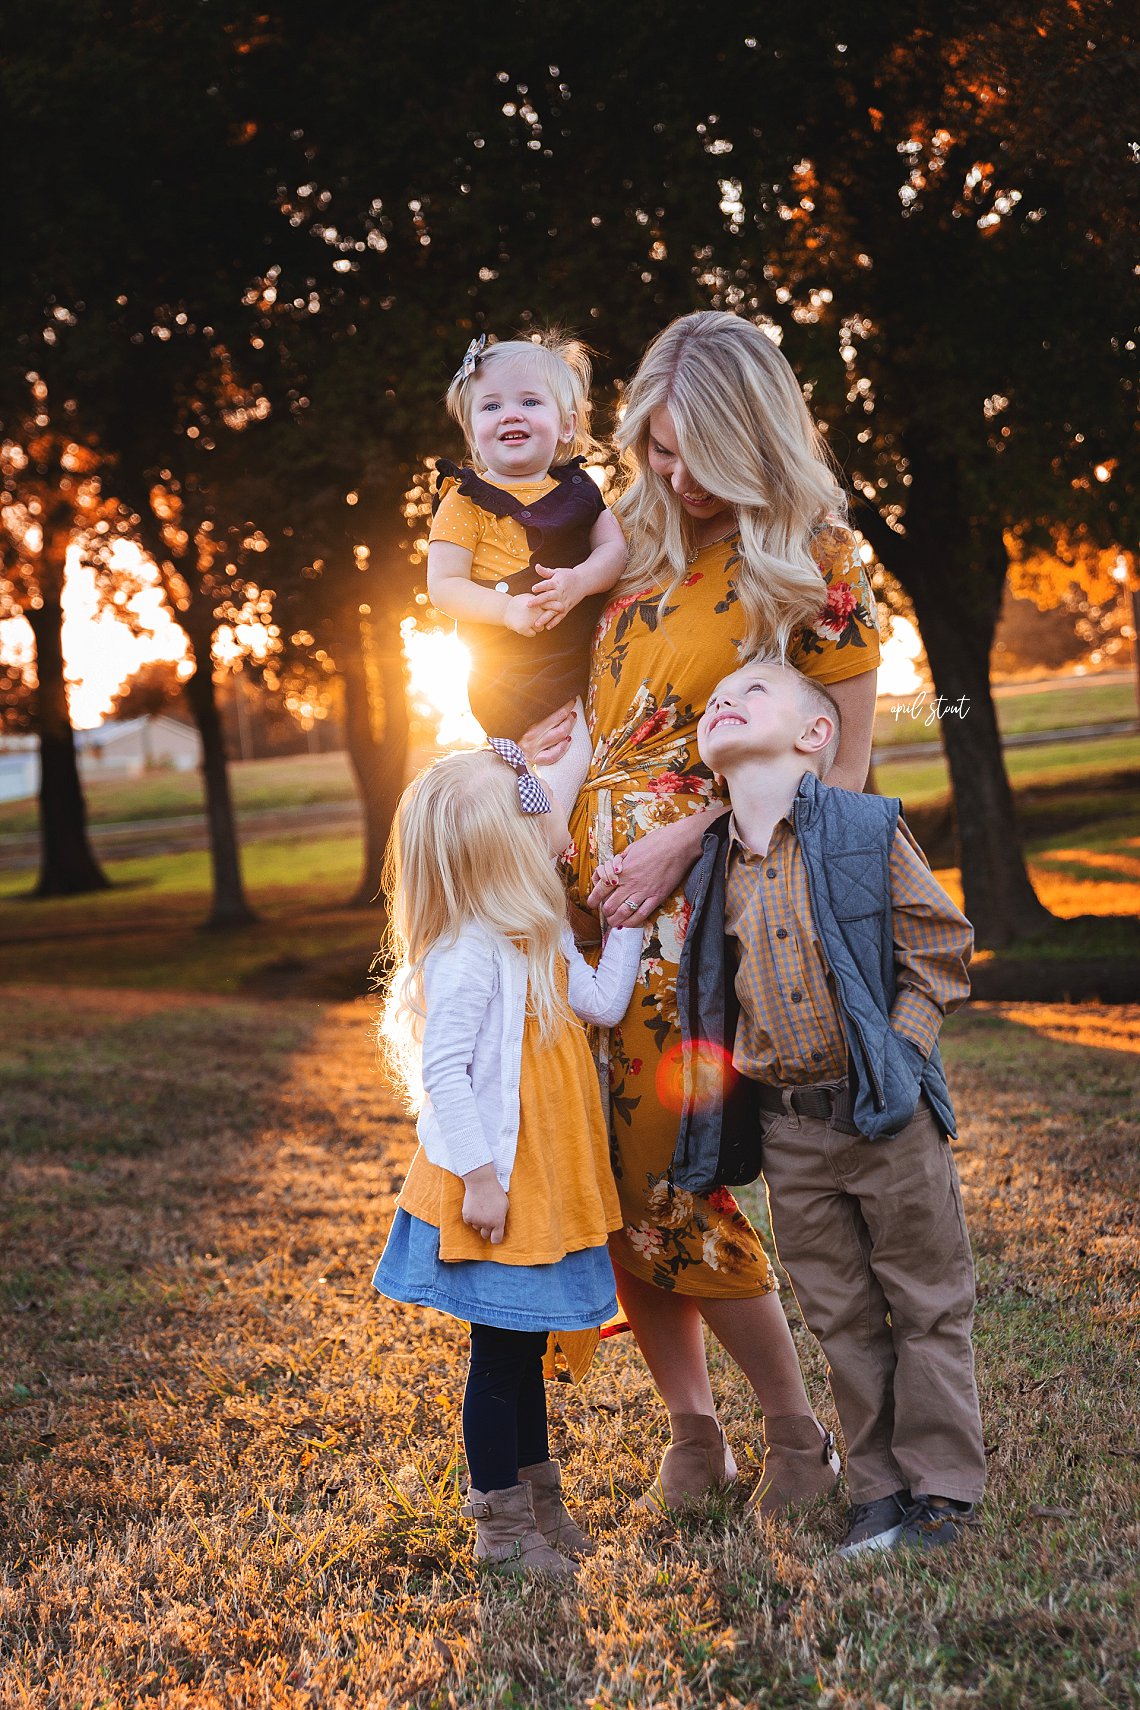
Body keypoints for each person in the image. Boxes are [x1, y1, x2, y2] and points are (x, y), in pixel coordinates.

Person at [524, 310, 882, 1517]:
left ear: (755, 433)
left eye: (693, 455)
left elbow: (844, 783)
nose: (672, 478)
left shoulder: (816, 565)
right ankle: (693, 1434)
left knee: (675, 1176)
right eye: (656, 451)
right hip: (587, 928)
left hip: (710, 929)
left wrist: (693, 840)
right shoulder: (629, 541)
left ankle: (792, 1435)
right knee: (608, 1188)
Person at [677, 657, 985, 1555]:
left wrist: (897, 1052)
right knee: (840, 1314)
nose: (723, 700)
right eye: (713, 699)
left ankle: (943, 1494)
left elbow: (940, 943)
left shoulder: (861, 829)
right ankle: (879, 1489)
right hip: (790, 1132)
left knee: (926, 1301)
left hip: (886, 1116)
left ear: (818, 733)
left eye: (752, 691)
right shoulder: (710, 864)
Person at [372, 740, 643, 1578]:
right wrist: (481, 1179)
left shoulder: (538, 932)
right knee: (499, 1360)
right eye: (539, 823)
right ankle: (500, 1528)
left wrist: (630, 928)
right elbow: (442, 1074)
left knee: (526, 1349)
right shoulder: (469, 953)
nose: (556, 837)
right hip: (498, 1184)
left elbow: (598, 1001)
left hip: (549, 1178)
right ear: (503, 851)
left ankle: (538, 1502)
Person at [428, 332, 626, 811]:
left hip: (579, 645)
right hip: (515, 663)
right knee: (565, 755)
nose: (510, 414)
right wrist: (507, 608)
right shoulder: (464, 502)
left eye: (529, 401)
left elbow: (614, 550)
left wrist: (579, 581)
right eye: (490, 406)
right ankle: (541, 852)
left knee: (593, 745)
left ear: (566, 425)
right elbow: (444, 586)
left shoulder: (579, 489)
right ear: (472, 430)